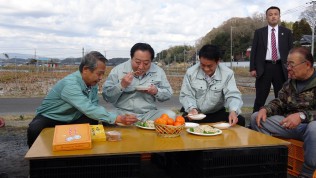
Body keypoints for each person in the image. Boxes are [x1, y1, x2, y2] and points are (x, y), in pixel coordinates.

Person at [27, 51, 138, 148]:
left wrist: (111, 118)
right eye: (99, 74)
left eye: (102, 74)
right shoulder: (70, 84)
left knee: (93, 121)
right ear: (85, 69)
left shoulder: (92, 83)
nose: (100, 78)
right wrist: (118, 118)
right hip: (52, 116)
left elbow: (94, 105)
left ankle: (86, 155)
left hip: (73, 116)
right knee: (35, 129)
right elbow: (87, 108)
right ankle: (37, 165)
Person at [251, 47, 316, 178]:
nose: (288, 68)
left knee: (314, 128)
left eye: (292, 65)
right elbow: (279, 102)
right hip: (290, 125)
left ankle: (308, 171)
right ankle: (272, 162)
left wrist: (302, 116)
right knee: (256, 118)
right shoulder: (290, 83)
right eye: (287, 64)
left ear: (307, 64)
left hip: (310, 128)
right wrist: (265, 109)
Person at [102, 42, 176, 121]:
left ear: (151, 61)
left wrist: (156, 91)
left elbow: (168, 94)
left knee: (171, 115)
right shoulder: (118, 70)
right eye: (137, 62)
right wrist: (122, 85)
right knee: (106, 117)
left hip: (148, 114)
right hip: (122, 113)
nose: (141, 67)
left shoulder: (158, 71)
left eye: (146, 63)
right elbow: (107, 97)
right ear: (131, 58)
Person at [179, 44, 245, 126]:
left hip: (216, 113)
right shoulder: (190, 72)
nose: (206, 69)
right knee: (181, 123)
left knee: (240, 120)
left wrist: (233, 111)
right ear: (199, 60)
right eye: (202, 65)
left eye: (209, 66)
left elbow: (232, 95)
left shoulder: (227, 73)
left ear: (217, 62)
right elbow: (186, 94)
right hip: (195, 114)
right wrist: (192, 109)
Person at [250, 6, 293, 113]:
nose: (273, 16)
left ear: (279, 16)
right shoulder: (259, 32)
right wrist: (252, 68)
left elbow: (291, 52)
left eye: (275, 14)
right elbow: (254, 51)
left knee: (282, 97)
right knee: (260, 96)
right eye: (270, 14)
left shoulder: (287, 32)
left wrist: (291, 68)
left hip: (281, 67)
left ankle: (281, 121)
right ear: (266, 17)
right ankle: (254, 120)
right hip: (264, 67)